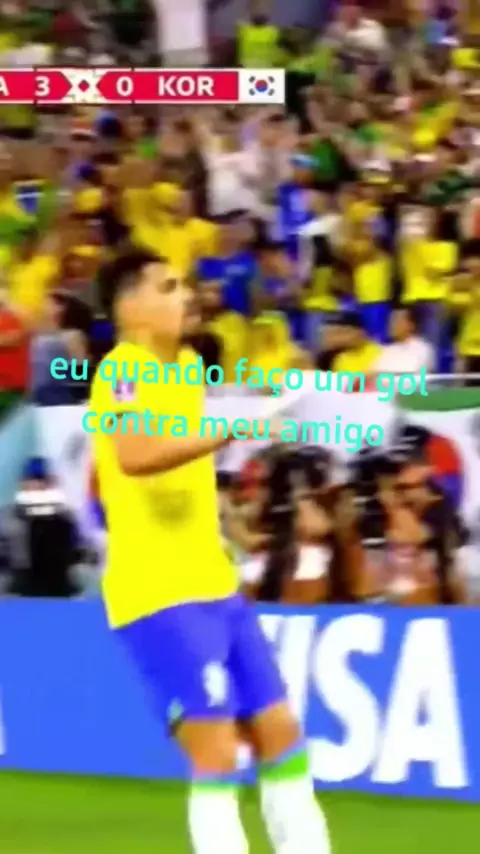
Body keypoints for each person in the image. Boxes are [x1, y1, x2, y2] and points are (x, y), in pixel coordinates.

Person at [89, 249, 331, 854]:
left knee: (280, 733)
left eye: (184, 284)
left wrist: (232, 527)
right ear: (131, 307)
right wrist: (234, 427)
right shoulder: (120, 372)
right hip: (157, 592)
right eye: (168, 286)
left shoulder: (189, 367)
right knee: (217, 751)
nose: (186, 295)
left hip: (214, 584)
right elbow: (137, 455)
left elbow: (186, 472)